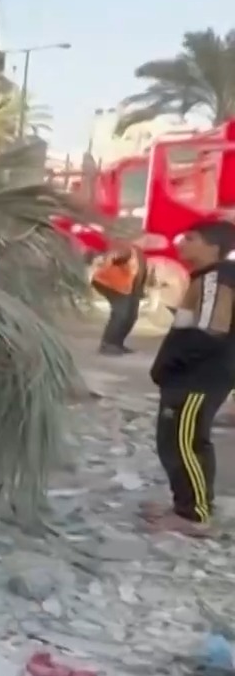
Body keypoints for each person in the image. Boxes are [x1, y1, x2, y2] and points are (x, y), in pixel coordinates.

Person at [148, 218, 235, 536]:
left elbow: (211, 331)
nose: (181, 244)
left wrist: (172, 364)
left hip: (198, 379)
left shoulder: (215, 278)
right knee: (176, 442)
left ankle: (194, 515)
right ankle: (185, 503)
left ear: (213, 247)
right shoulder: (205, 278)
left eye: (191, 238)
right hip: (192, 377)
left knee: (186, 445)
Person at [92, 236, 147, 355]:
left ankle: (117, 343)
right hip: (112, 285)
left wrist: (139, 290)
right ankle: (108, 345)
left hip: (128, 288)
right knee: (121, 314)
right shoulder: (128, 248)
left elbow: (139, 273)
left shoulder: (140, 253)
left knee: (131, 316)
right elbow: (117, 255)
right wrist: (113, 257)